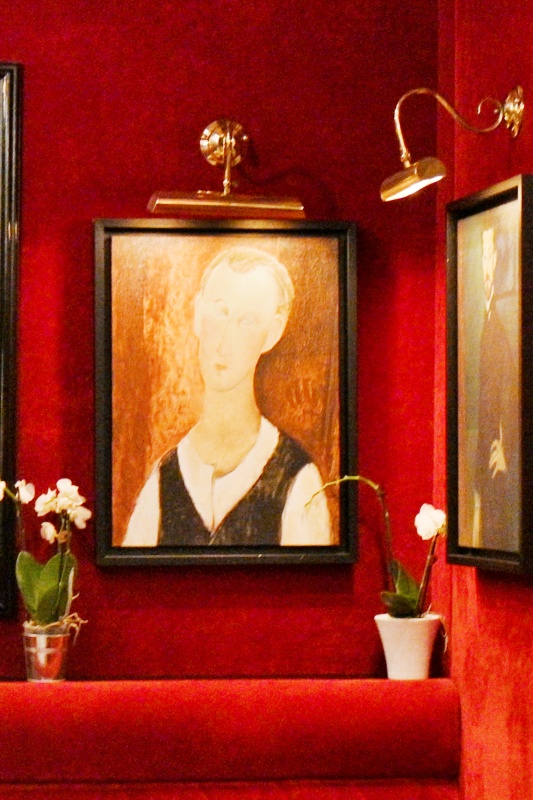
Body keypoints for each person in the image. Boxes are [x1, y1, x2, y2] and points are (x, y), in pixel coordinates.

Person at [122, 245, 332, 547]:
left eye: (247, 322)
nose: (224, 342)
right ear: (197, 313)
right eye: (219, 313)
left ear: (273, 332)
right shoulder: (163, 478)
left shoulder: (298, 478)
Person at [472, 227, 519, 550]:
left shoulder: (507, 319)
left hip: (501, 460)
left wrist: (508, 447)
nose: (487, 264)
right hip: (487, 456)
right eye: (484, 254)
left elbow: (512, 392)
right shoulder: (489, 316)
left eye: (492, 254)